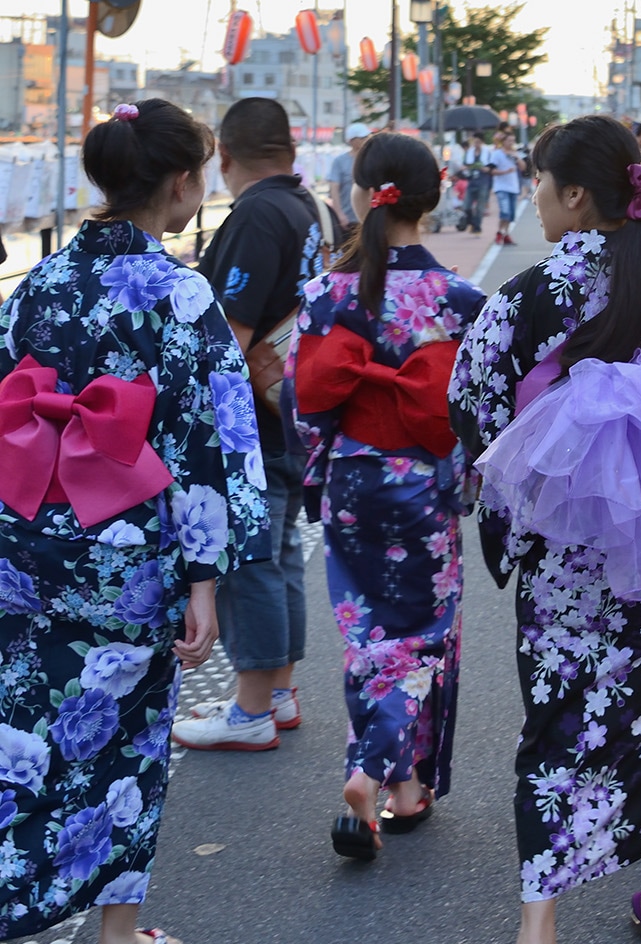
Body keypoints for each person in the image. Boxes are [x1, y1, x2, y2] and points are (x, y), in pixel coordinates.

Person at [448, 114, 641, 944]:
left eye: (541, 181)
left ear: (576, 195)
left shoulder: (526, 295)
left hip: (560, 554)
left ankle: (537, 923)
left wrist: (526, 485)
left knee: (557, 720)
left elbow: (471, 407)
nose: (536, 196)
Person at [0, 100, 265, 942]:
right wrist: (205, 579)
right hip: (129, 557)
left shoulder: (35, 282)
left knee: (25, 731)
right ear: (182, 183)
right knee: (127, 746)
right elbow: (207, 442)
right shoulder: (180, 293)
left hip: (28, 546)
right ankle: (117, 933)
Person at [288, 132, 487, 860]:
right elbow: (477, 412)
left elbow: (302, 404)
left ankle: (403, 788)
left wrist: (324, 471)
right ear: (434, 195)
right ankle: (368, 770)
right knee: (424, 636)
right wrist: (464, 482)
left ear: (360, 192)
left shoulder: (321, 295)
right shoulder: (462, 301)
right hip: (420, 479)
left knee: (369, 634)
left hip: (350, 477)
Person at [175, 97, 337, 754]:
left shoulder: (256, 215)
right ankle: (278, 691)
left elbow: (228, 335)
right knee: (283, 557)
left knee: (252, 563)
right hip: (301, 408)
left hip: (253, 422)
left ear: (226, 156)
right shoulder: (315, 209)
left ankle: (250, 711)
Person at [329, 123, 372, 228]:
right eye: (363, 137)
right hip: (348, 219)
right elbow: (334, 188)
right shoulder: (340, 161)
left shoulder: (372, 160)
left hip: (368, 218)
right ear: (352, 141)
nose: (366, 140)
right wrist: (339, 214)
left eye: (367, 137)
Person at [457, 133, 497, 234]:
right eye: (475, 142)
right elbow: (463, 166)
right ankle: (472, 222)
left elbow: (492, 168)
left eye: (478, 142)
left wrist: (485, 169)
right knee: (466, 206)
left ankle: (477, 227)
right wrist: (466, 168)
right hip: (471, 182)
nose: (476, 144)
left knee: (480, 207)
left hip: (483, 182)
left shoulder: (487, 152)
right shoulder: (469, 153)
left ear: (482, 142)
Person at [492, 132, 522, 245]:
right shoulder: (497, 154)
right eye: (509, 140)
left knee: (512, 214)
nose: (511, 143)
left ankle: (506, 233)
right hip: (501, 187)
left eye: (512, 140)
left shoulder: (515, 153)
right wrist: (505, 171)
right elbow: (492, 170)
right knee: (505, 212)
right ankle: (500, 232)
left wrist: (517, 158)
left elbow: (523, 167)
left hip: (513, 187)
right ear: (503, 141)